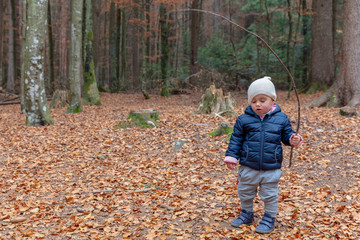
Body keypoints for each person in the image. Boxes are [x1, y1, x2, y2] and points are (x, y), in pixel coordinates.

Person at [224, 76, 302, 234]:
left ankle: (269, 218)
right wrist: (232, 156)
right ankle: (246, 214)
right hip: (248, 166)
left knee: (270, 194)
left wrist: (293, 139)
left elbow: (287, 135)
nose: (257, 104)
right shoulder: (243, 119)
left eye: (262, 100)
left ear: (273, 100)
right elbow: (236, 139)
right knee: (245, 191)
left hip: (271, 167)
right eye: (253, 101)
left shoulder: (281, 118)